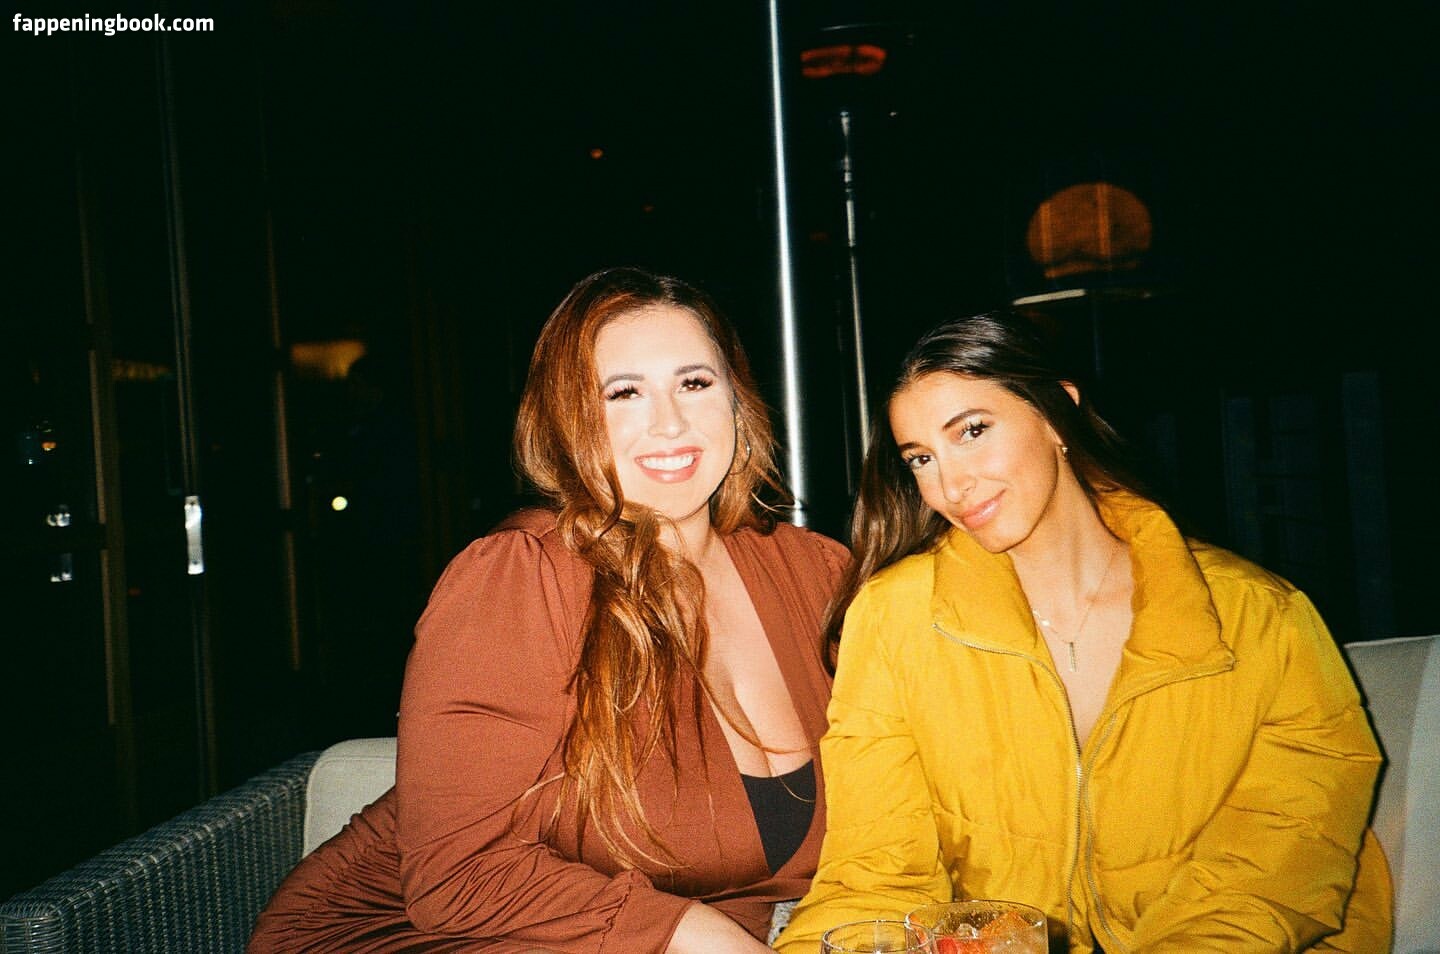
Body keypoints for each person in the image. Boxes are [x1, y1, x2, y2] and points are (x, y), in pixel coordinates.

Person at [249, 267, 849, 953]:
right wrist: (697, 935)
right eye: (624, 392)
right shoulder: (523, 577)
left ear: (737, 400)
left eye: (694, 383)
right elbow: (457, 876)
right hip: (413, 933)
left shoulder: (814, 573)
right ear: (569, 420)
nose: (670, 422)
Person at [775, 312, 1391, 953]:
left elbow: (1276, 862)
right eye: (922, 459)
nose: (951, 485)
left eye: (973, 432)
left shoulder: (1258, 616)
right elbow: (876, 871)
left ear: (1057, 413)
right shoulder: (894, 617)